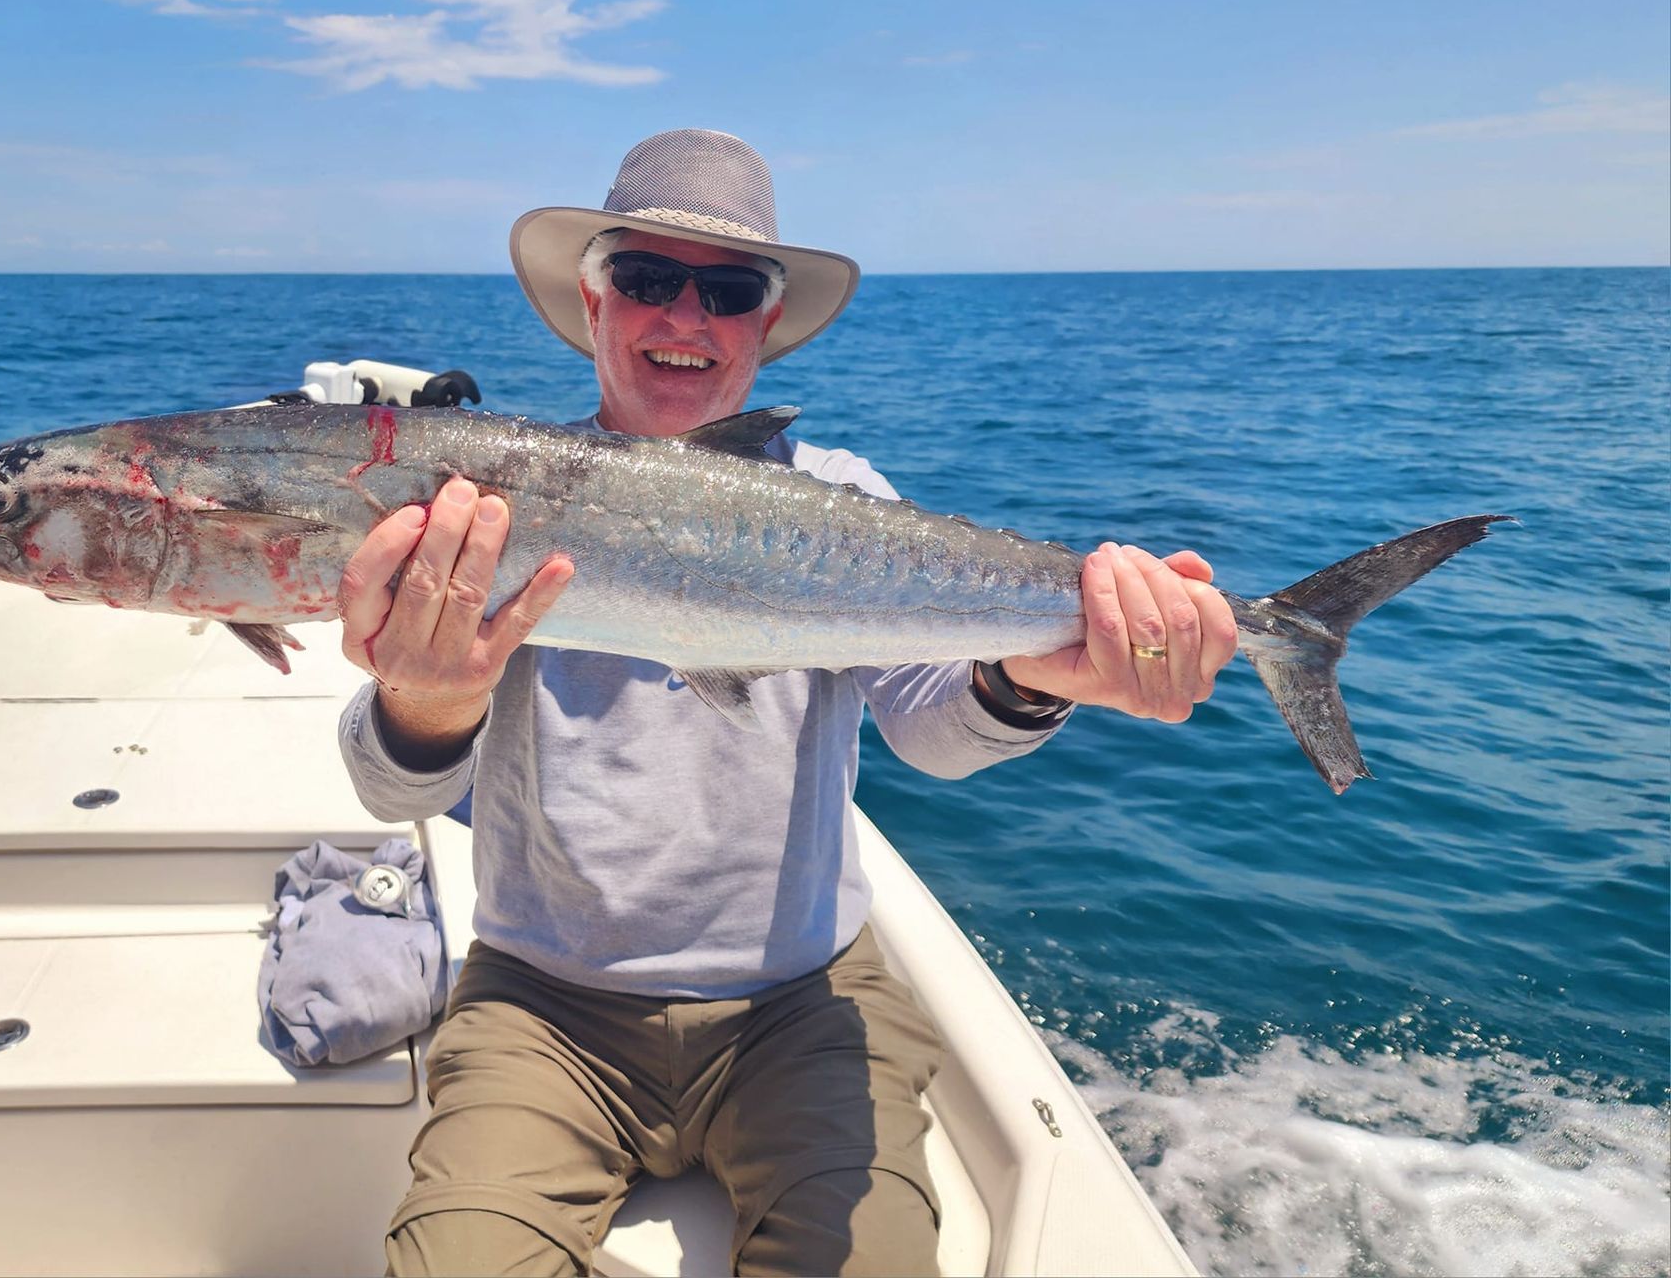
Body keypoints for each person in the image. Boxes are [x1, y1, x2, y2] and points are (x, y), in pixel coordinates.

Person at [336, 130, 1238, 1277]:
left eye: (726, 291)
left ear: (766, 322)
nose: (684, 318)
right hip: (542, 1011)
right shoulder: (485, 502)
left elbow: (931, 730)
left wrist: (1030, 677)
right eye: (649, 280)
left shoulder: (839, 498)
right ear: (593, 298)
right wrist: (426, 699)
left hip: (800, 1006)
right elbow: (385, 785)